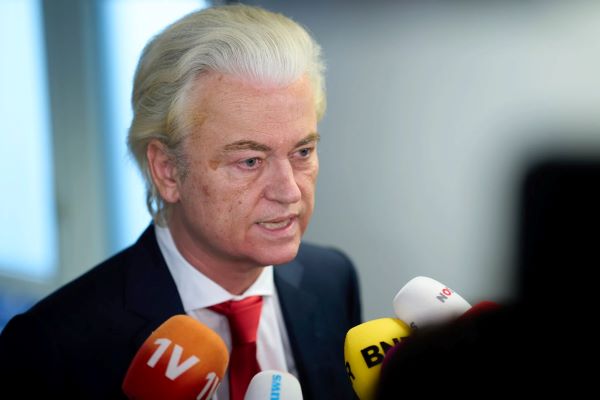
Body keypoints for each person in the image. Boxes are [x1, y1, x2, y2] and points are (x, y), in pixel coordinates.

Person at [0, 5, 361, 399]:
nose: (289, 191)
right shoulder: (51, 346)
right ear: (168, 171)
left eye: (303, 152)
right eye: (250, 161)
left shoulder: (332, 278)